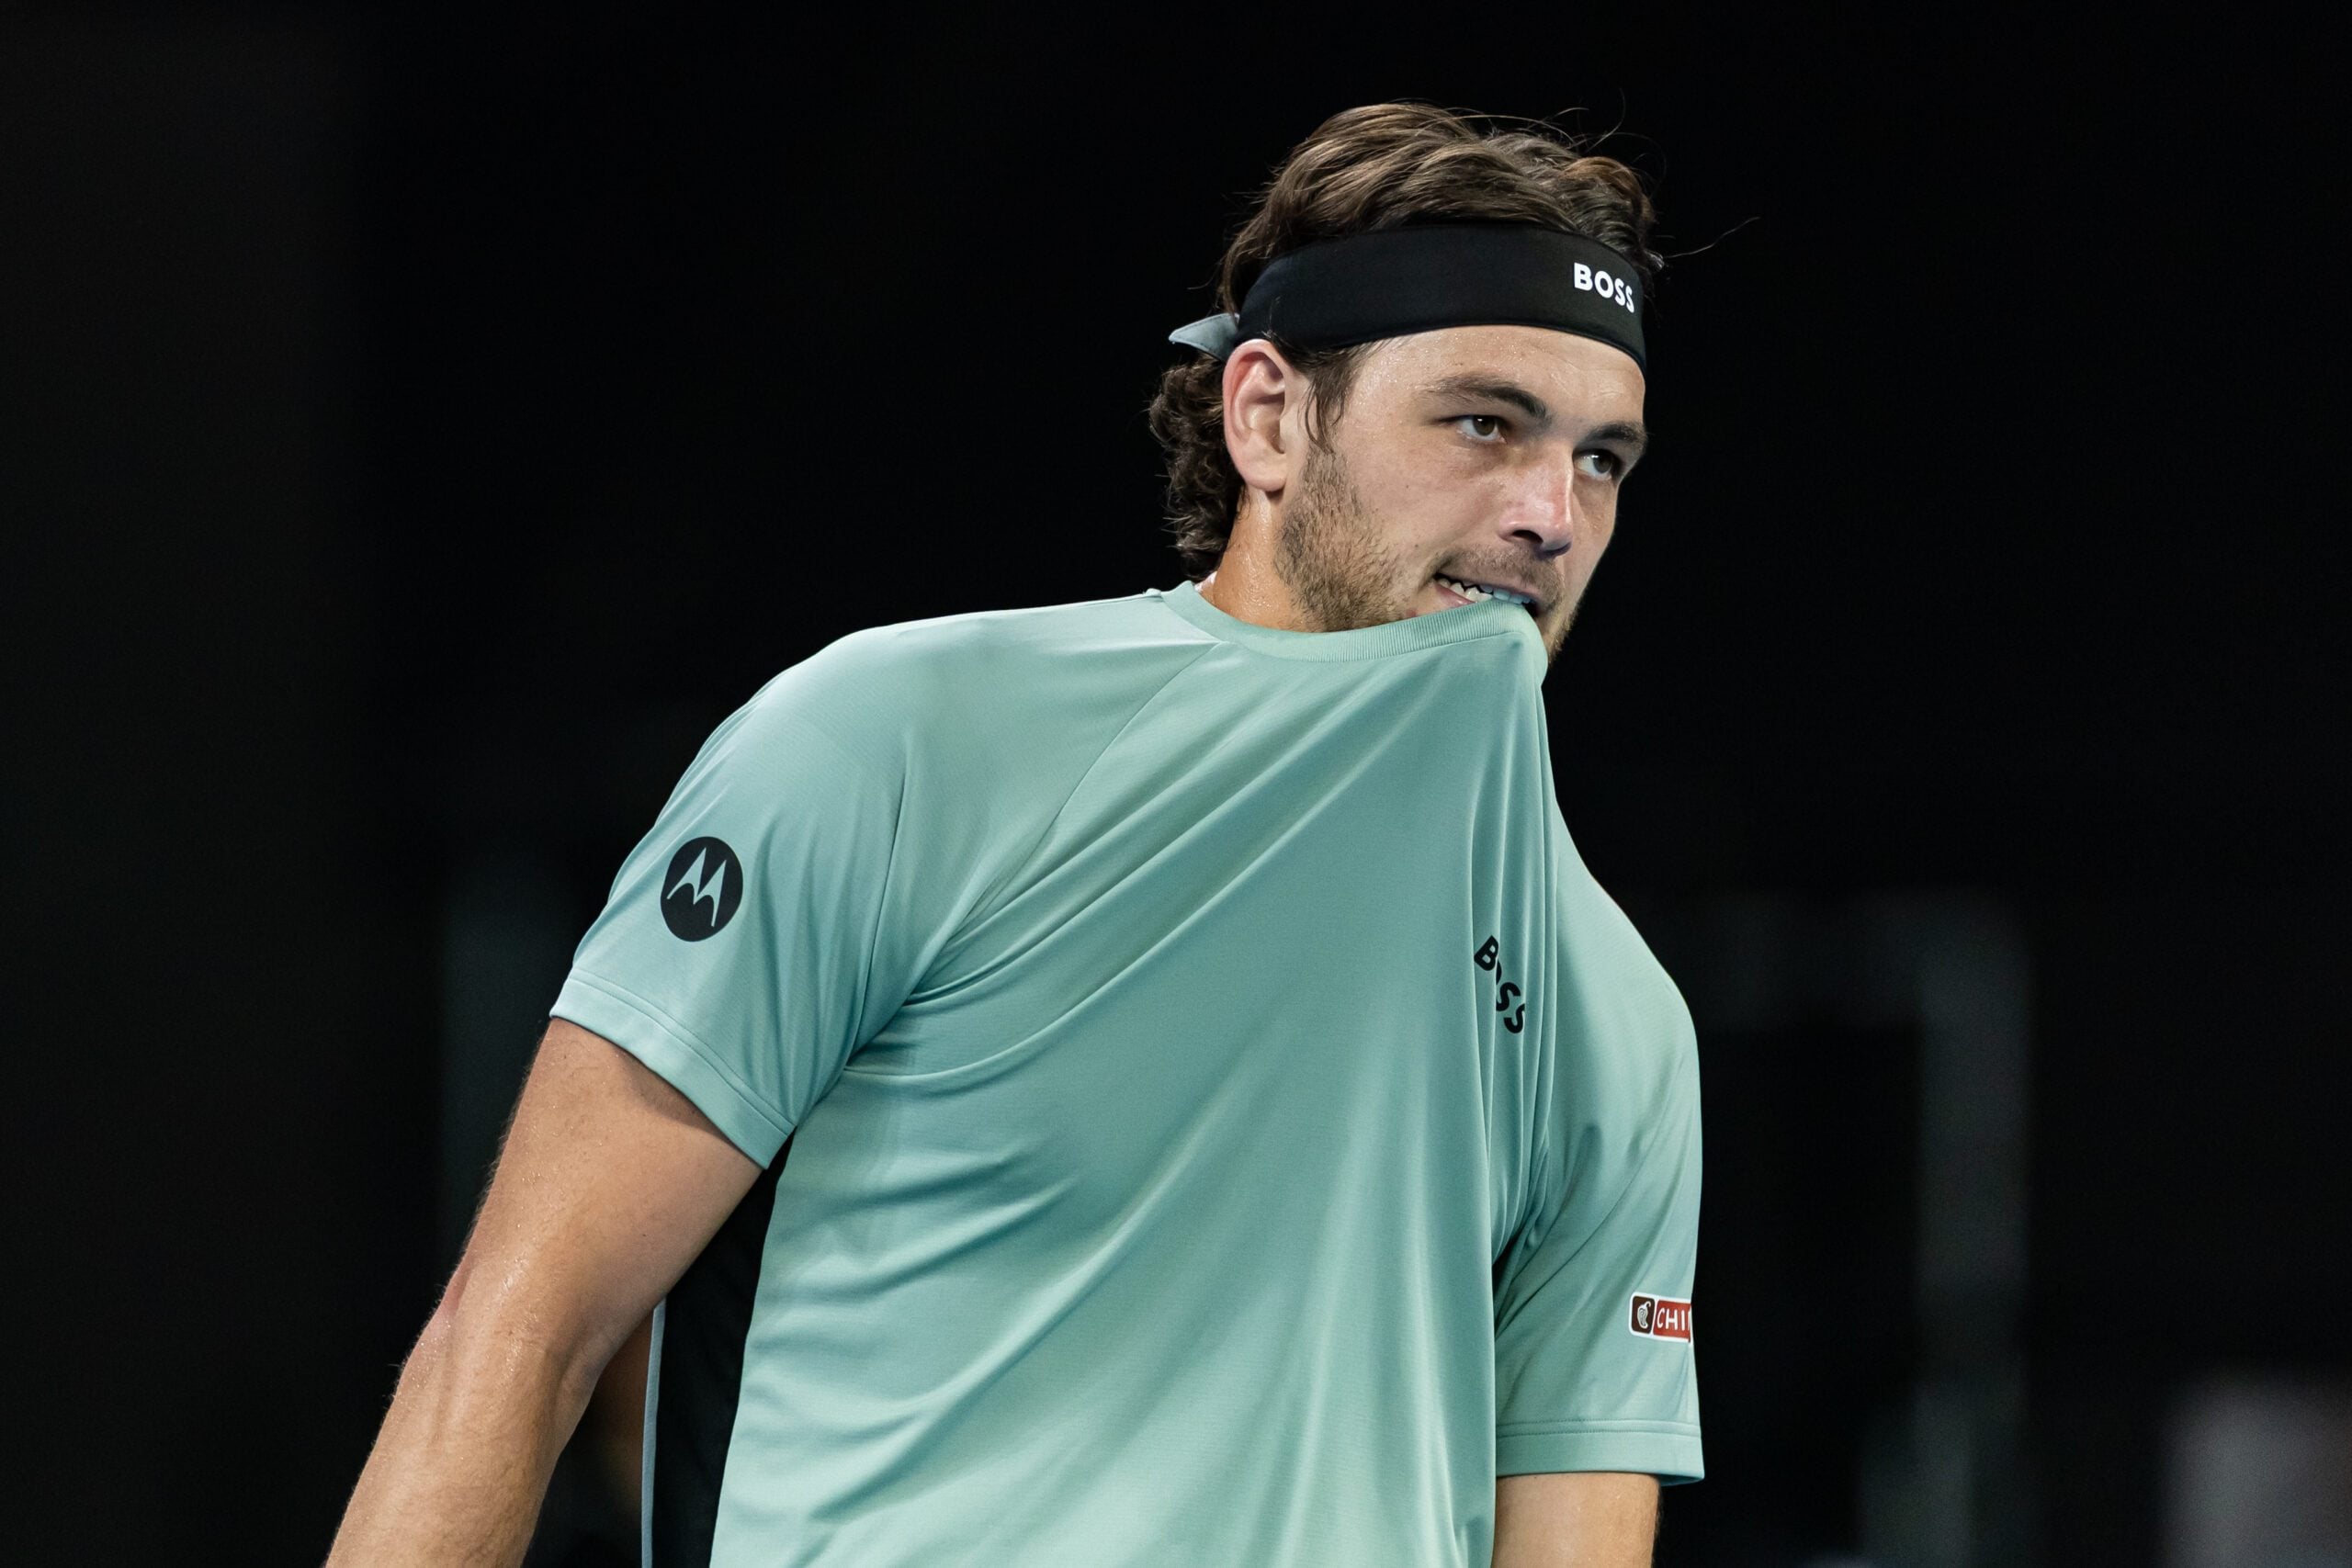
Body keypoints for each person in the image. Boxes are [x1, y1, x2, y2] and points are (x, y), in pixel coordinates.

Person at [327, 101, 1702, 1568]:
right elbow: (520, 1336)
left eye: (1601, 460)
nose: (1552, 515)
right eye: (1483, 423)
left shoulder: (1620, 1021)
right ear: (1268, 416)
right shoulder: (895, 744)